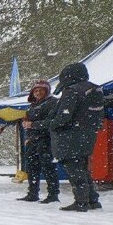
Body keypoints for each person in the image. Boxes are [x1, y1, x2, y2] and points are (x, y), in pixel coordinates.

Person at [24, 62, 105, 211]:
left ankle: (81, 202)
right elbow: (98, 114)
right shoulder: (94, 89)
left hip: (71, 136)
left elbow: (63, 117)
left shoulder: (72, 91)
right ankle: (92, 199)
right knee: (82, 167)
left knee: (74, 168)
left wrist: (42, 125)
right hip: (88, 134)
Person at [18, 80, 59, 203]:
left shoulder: (53, 103)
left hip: (46, 140)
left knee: (48, 168)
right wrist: (28, 137)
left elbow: (52, 122)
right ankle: (33, 193)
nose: (38, 92)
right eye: (35, 90)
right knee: (31, 168)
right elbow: (28, 123)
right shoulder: (33, 105)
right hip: (32, 141)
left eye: (41, 90)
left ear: (47, 90)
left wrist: (33, 124)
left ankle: (53, 195)